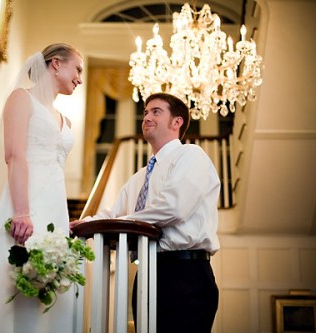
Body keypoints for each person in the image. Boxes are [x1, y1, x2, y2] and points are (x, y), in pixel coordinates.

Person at [0, 43, 83, 333]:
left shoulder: (65, 119)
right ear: (56, 64)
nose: (80, 79)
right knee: (10, 282)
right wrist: (22, 211)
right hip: (25, 203)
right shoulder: (21, 99)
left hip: (54, 208)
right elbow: (14, 156)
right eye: (78, 69)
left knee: (49, 285)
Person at [71, 92, 220, 333]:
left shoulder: (192, 156)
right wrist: (82, 224)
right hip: (147, 273)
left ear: (176, 122)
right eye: (145, 112)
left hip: (186, 274)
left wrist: (124, 223)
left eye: (156, 111)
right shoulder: (139, 177)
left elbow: (173, 208)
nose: (147, 117)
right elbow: (112, 212)